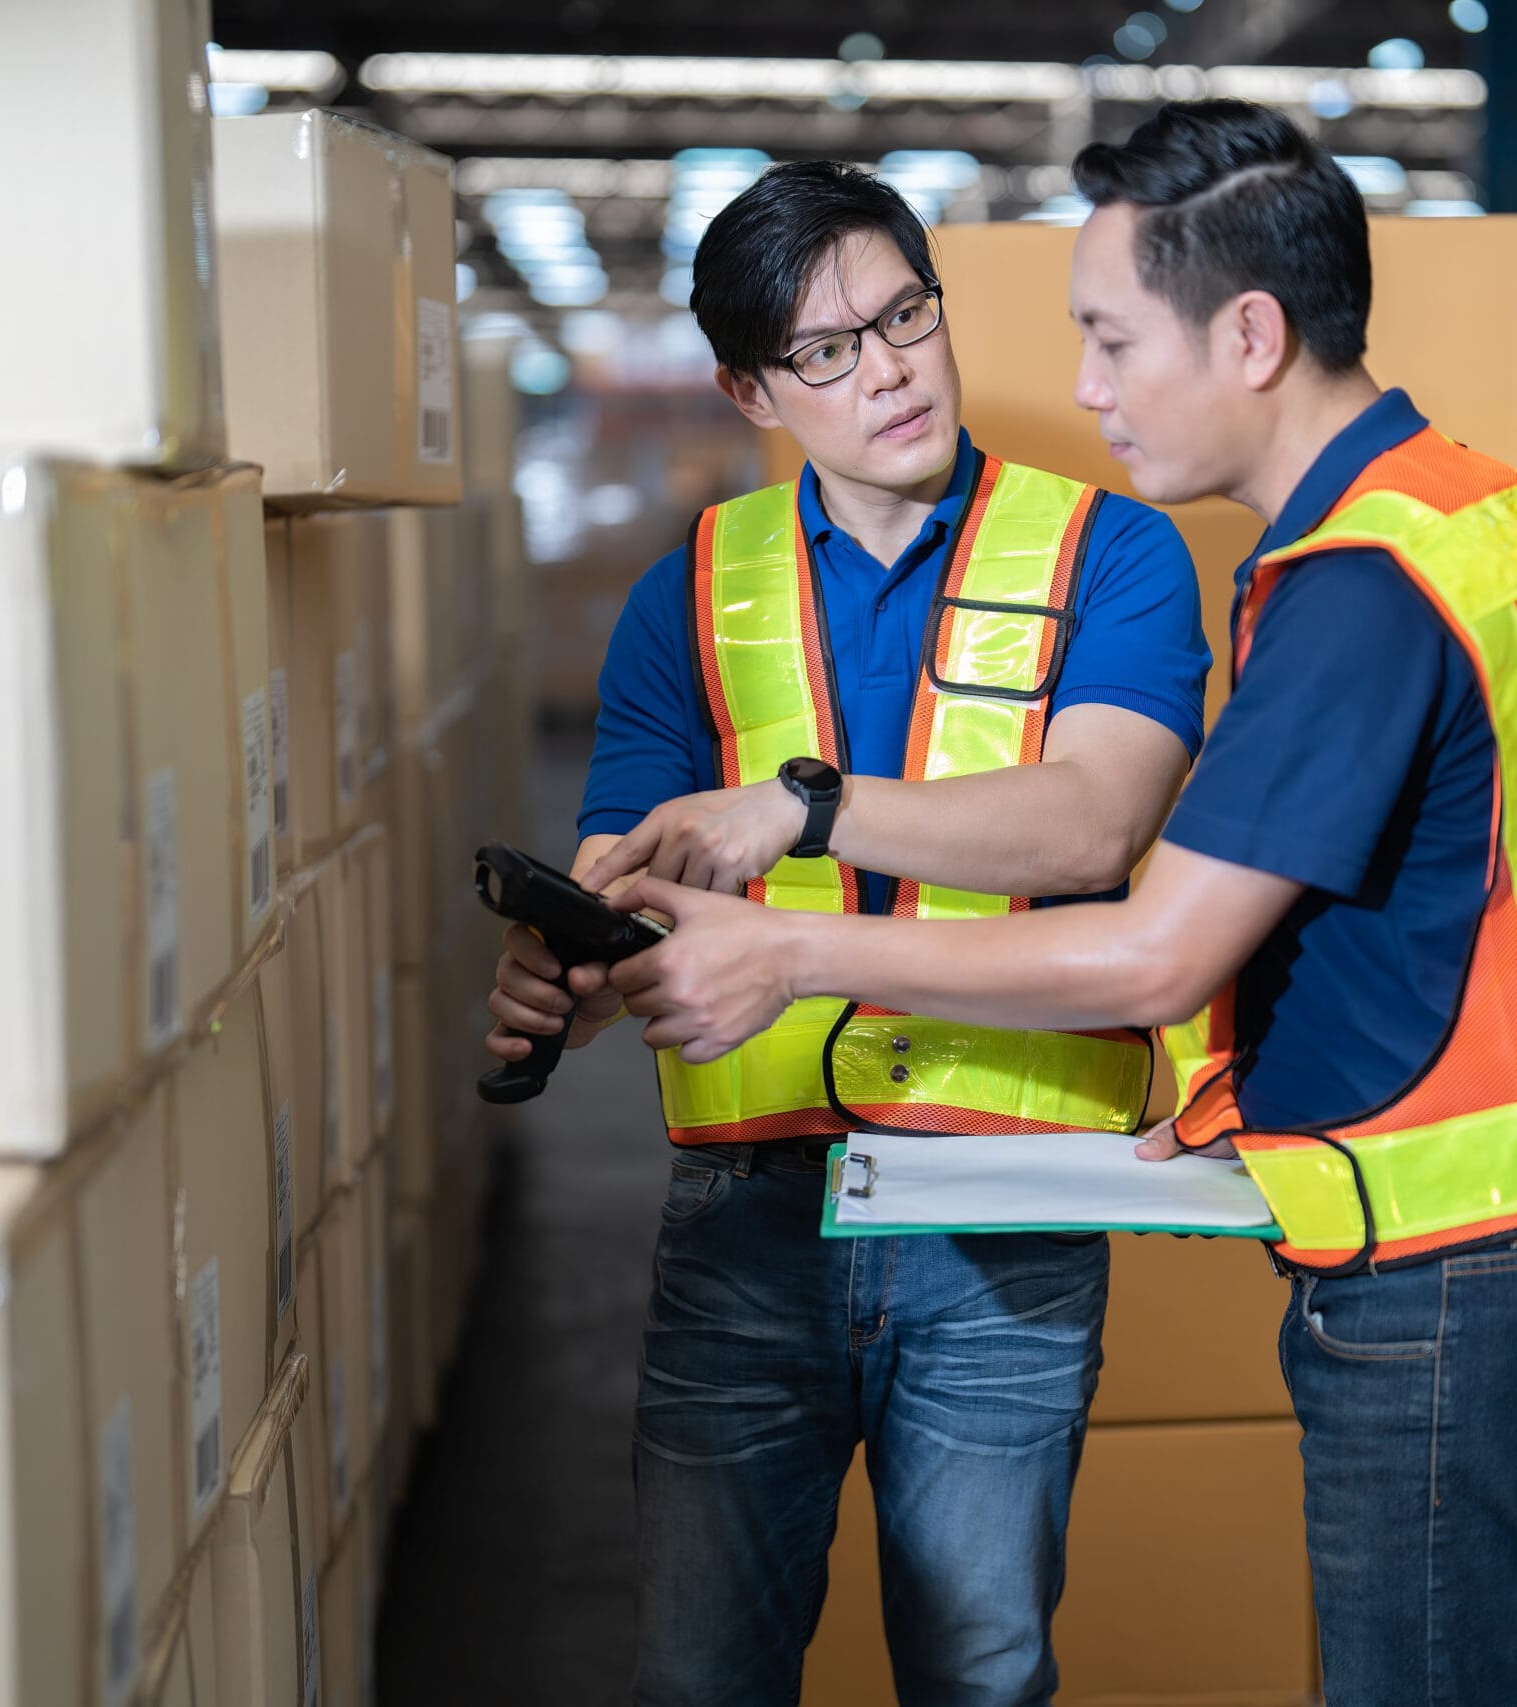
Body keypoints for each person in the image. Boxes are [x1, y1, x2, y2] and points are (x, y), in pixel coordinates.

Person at [605, 102, 1517, 1707]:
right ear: (754, 392)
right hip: (1488, 1242)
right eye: (830, 351)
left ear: (1249, 334)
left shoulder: (1352, 589)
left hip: (1459, 1263)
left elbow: (1156, 943)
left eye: (1109, 340)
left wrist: (793, 924)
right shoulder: (1434, 515)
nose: (1086, 390)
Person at [482, 160, 1211, 1705]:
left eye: (904, 317)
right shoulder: (690, 589)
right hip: (749, 1226)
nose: (886, 370)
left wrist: (804, 810)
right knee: (701, 1676)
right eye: (826, 352)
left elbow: (1091, 822)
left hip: (1003, 1224)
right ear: (753, 390)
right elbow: (637, 864)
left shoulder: (1113, 556)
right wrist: (580, 971)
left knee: (982, 1676)